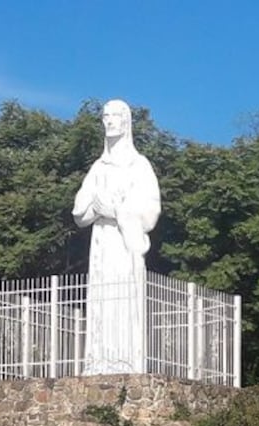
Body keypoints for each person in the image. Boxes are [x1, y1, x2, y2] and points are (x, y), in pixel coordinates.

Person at [72, 100, 161, 374]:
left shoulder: (139, 165)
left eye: (115, 116)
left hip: (125, 244)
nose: (109, 121)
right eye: (105, 116)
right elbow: (79, 212)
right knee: (101, 299)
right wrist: (97, 209)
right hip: (102, 244)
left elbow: (149, 212)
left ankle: (125, 361)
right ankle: (98, 362)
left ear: (126, 122)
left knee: (123, 299)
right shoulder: (99, 167)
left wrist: (114, 210)